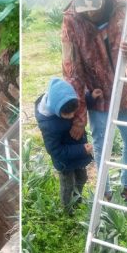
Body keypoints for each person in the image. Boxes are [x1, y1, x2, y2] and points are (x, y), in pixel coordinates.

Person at [62, 0, 127, 205]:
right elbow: (72, 70)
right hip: (97, 97)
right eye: (84, 6)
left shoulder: (123, 3)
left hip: (125, 91)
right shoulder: (71, 20)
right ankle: (105, 192)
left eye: (93, 4)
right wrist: (79, 114)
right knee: (100, 145)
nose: (90, 10)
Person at [35, 77, 93, 214]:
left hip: (78, 154)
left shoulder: (65, 103)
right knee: (68, 185)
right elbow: (54, 150)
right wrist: (81, 149)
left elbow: (81, 103)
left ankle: (77, 199)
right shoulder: (50, 125)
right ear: (55, 108)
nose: (73, 116)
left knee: (82, 178)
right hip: (65, 162)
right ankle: (67, 210)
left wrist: (91, 97)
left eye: (74, 111)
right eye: (68, 114)